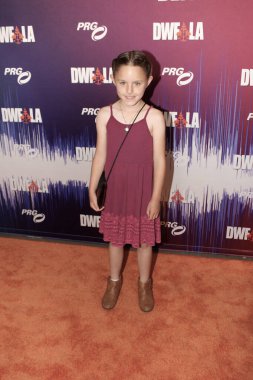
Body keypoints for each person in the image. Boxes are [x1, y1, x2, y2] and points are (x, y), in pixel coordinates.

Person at [89, 51, 166, 312]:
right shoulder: (104, 114)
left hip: (144, 189)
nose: (130, 90)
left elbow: (160, 161)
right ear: (113, 80)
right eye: (123, 82)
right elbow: (100, 153)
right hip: (117, 188)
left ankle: (144, 283)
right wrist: (91, 185)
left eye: (137, 83)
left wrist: (156, 197)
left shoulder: (154, 117)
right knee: (115, 240)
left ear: (149, 81)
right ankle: (114, 281)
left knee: (145, 242)